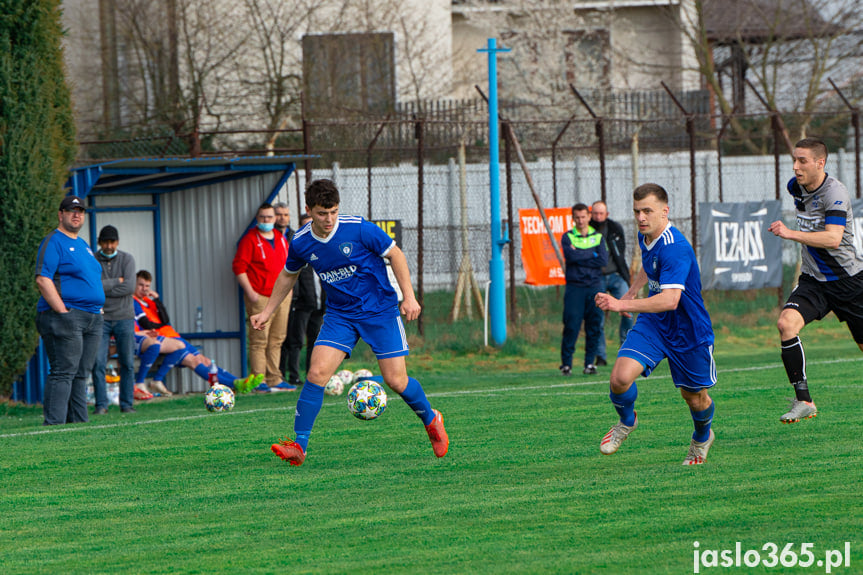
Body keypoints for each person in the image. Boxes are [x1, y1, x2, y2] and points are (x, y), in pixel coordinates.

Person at [251, 179, 448, 466]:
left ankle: (431, 419)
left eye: (332, 211)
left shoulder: (358, 228)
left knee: (395, 380)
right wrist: (268, 311)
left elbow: (395, 254)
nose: (328, 219)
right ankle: (299, 445)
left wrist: (409, 297)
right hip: (340, 316)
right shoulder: (302, 242)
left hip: (379, 311)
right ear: (308, 210)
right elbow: (288, 274)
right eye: (321, 213)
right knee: (316, 373)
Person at [595, 183, 716, 465]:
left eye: (647, 211)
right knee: (619, 379)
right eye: (637, 211)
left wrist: (620, 304)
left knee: (694, 398)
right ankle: (627, 422)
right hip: (654, 324)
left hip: (689, 332)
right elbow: (650, 267)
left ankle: (702, 437)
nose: (640, 217)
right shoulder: (646, 234)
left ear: (665, 211)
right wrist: (632, 290)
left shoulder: (676, 249)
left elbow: (670, 299)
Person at [767, 137, 863, 423]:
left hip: (849, 282)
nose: (795, 167)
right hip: (814, 281)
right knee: (786, 324)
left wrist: (791, 233)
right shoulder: (795, 187)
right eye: (794, 160)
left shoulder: (835, 193)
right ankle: (804, 400)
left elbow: (833, 239)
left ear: (820, 163)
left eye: (803, 161)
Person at [35, 196, 105, 425]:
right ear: (60, 214)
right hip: (67, 316)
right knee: (64, 371)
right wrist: (63, 312)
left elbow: (91, 279)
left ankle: (78, 426)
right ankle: (54, 425)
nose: (76, 215)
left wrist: (99, 309)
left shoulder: (84, 245)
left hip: (92, 318)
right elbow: (43, 279)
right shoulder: (53, 242)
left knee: (81, 374)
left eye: (80, 211)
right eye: (71, 210)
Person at [132, 270, 261, 393]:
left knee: (204, 360)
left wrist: (157, 300)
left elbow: (166, 319)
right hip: (161, 339)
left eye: (147, 286)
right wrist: (161, 325)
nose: (144, 289)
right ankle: (235, 384)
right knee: (195, 361)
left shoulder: (150, 301)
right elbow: (146, 324)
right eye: (141, 285)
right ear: (134, 284)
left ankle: (237, 381)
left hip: (171, 336)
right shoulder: (134, 301)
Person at [232, 202, 295, 392]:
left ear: (275, 218)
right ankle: (259, 379)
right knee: (259, 339)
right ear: (257, 219)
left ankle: (274, 378)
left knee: (277, 339)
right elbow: (239, 268)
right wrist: (251, 293)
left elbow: (289, 267)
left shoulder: (280, 238)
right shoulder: (250, 239)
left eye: (269, 217)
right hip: (260, 297)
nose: (266, 221)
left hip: (282, 297)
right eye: (263, 217)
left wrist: (289, 291)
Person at [92, 225, 138, 413]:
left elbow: (129, 287)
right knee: (98, 363)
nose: (109, 245)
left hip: (124, 317)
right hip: (100, 318)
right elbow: (91, 286)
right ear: (99, 243)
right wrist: (115, 282)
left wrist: (103, 288)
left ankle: (127, 405)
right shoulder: (92, 260)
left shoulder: (127, 259)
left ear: (117, 242)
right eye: (105, 242)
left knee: (127, 362)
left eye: (112, 242)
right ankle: (101, 405)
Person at [560, 203, 608, 376]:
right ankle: (566, 364)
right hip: (575, 287)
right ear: (573, 218)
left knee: (594, 326)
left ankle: (589, 363)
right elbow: (570, 257)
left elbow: (602, 260)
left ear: (589, 217)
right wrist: (591, 254)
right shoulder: (568, 237)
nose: (580, 220)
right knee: (571, 325)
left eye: (583, 217)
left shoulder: (598, 237)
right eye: (577, 217)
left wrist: (580, 255)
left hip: (595, 286)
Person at [282, 213, 326, 386]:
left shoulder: (323, 248)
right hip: (301, 305)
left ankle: (311, 376)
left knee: (315, 342)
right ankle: (293, 376)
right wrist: (297, 298)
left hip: (319, 304)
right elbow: (291, 276)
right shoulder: (299, 248)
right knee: (296, 341)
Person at [590, 200, 633, 366]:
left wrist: (625, 275)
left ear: (606, 214)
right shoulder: (587, 231)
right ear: (591, 214)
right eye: (595, 213)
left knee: (628, 310)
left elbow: (620, 254)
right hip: (597, 278)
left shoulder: (615, 229)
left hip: (616, 275)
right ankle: (600, 355)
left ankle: (626, 350)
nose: (598, 216)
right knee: (597, 317)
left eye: (601, 213)